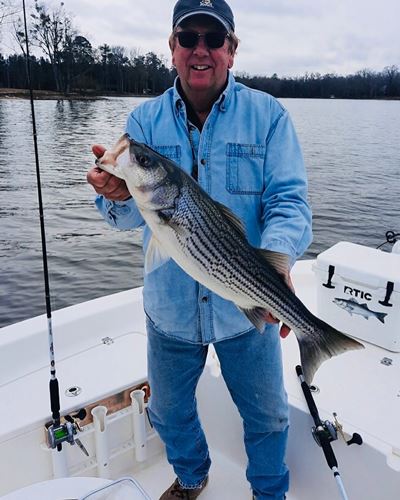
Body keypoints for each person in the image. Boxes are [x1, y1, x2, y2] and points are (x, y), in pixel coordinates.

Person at [87, 1, 312, 498]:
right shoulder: (142, 123)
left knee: (268, 417)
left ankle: (269, 493)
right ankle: (191, 477)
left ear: (231, 50)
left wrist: (276, 262)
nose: (200, 50)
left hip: (244, 299)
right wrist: (114, 193)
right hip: (169, 308)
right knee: (167, 410)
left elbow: (289, 201)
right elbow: (128, 215)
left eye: (214, 39)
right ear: (172, 49)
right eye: (188, 38)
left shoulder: (268, 116)